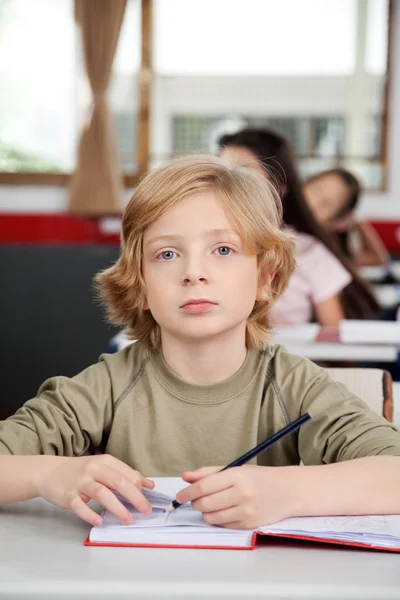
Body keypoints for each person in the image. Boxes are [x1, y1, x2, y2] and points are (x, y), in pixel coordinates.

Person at [1, 155, 400, 531]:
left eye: (223, 249)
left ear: (266, 278)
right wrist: (48, 473)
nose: (194, 273)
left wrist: (289, 491)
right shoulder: (102, 388)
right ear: (139, 286)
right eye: (167, 253)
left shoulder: (296, 386)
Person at [218, 128, 380, 325]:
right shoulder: (197, 244)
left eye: (243, 174)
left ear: (279, 187)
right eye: (220, 170)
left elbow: (335, 342)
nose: (224, 184)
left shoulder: (309, 251)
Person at [304, 168, 389, 268]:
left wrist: (357, 222)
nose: (313, 203)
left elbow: (379, 258)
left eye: (326, 204)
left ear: (333, 222)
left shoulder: (326, 255)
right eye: (316, 190)